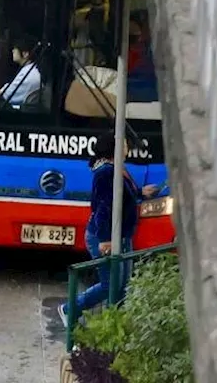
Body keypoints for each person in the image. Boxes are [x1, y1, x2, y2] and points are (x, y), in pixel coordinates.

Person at [65, 131, 158, 320]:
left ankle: (115, 323)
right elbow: (102, 207)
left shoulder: (116, 168)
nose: (127, 148)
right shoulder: (106, 172)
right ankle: (71, 310)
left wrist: (140, 192)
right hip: (107, 237)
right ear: (113, 148)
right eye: (123, 144)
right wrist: (105, 239)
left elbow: (120, 196)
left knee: (122, 285)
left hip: (122, 234)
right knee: (111, 285)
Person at [0, 36, 43, 108]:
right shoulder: (29, 70)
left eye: (15, 49)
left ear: (25, 54)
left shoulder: (27, 74)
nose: (13, 51)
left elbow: (4, 94)